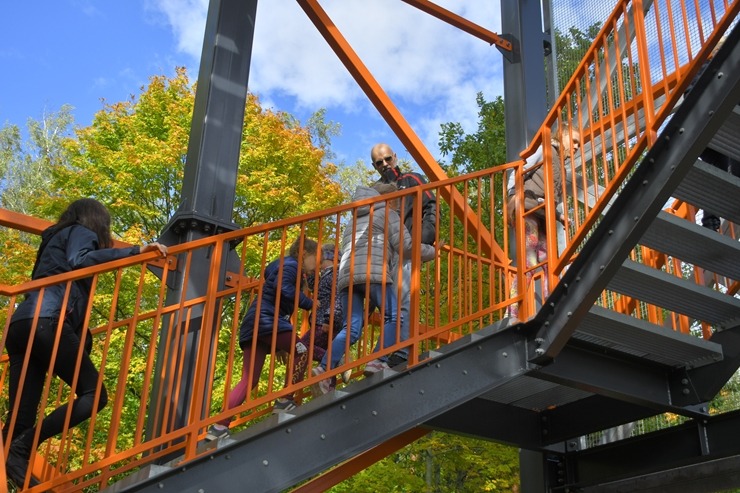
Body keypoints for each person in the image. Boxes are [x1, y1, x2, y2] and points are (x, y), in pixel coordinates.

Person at [2, 198, 168, 488]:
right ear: (97, 220)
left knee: (19, 419)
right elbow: (81, 260)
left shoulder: (53, 239)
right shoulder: (83, 232)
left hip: (20, 325)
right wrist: (136, 251)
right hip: (46, 320)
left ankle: (15, 456)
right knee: (94, 395)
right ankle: (25, 446)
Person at [312, 183, 436, 396]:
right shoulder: (387, 213)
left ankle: (324, 369)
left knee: (351, 327)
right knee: (394, 316)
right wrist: (432, 251)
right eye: (397, 199)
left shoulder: (353, 219)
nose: (398, 204)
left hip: (346, 276)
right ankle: (378, 360)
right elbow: (406, 247)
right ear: (387, 198)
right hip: (373, 271)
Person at [208, 238, 319, 437]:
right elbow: (283, 288)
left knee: (248, 379)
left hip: (256, 324)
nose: (316, 265)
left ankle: (219, 426)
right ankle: (286, 398)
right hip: (268, 321)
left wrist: (278, 345)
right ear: (304, 254)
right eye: (315, 259)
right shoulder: (291, 265)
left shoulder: (285, 266)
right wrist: (309, 303)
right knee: (303, 351)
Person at [371, 143, 437, 367]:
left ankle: (401, 351)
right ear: (374, 165)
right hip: (381, 251)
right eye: (379, 162)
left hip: (405, 246)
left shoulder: (412, 179)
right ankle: (383, 352)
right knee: (387, 304)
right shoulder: (374, 189)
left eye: (387, 159)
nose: (385, 164)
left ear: (395, 157)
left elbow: (431, 204)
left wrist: (426, 235)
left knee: (405, 298)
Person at [507, 126, 580, 322]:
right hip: (527, 207)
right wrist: (512, 194)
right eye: (573, 141)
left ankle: (552, 309)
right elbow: (520, 168)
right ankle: (511, 312)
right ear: (562, 136)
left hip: (542, 213)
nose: (576, 147)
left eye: (578, 144)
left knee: (550, 263)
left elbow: (549, 196)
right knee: (530, 261)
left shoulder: (561, 169)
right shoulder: (545, 149)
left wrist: (560, 216)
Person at [273, 243, 347, 413]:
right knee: (311, 351)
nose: (318, 265)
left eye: (322, 260)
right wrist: (308, 273)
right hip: (322, 321)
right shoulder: (324, 276)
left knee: (301, 347)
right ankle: (329, 389)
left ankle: (288, 395)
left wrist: (329, 318)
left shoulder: (335, 274)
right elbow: (314, 286)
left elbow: (337, 298)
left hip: (325, 322)